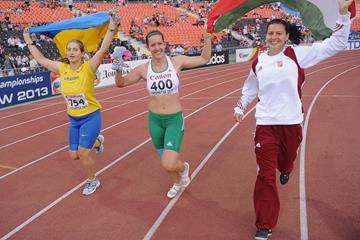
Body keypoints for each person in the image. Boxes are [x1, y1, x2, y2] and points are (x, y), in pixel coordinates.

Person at [233, 1, 353, 239]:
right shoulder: (259, 61)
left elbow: (336, 43)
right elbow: (250, 88)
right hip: (265, 125)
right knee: (265, 176)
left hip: (291, 124)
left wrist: (343, 14)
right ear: (265, 36)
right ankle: (264, 224)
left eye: (279, 33)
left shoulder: (297, 54)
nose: (274, 37)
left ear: (287, 35)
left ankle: (286, 168)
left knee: (286, 161)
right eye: (270, 33)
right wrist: (240, 106)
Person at [23, 12, 120, 196]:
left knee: (83, 153)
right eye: (69, 49)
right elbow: (41, 60)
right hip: (74, 120)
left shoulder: (88, 67)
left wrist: (112, 27)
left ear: (82, 53)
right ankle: (97, 140)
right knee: (73, 155)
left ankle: (93, 180)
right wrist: (28, 40)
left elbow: (102, 49)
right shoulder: (62, 68)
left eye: (75, 49)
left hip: (91, 116)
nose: (71, 52)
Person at [113, 29, 212, 198]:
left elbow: (204, 58)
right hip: (155, 121)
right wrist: (117, 67)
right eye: (153, 45)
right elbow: (121, 84)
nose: (157, 47)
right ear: (148, 47)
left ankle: (184, 168)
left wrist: (208, 38)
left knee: (168, 163)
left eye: (160, 43)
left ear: (164, 44)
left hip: (174, 119)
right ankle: (176, 182)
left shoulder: (177, 62)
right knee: (164, 161)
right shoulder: (143, 69)